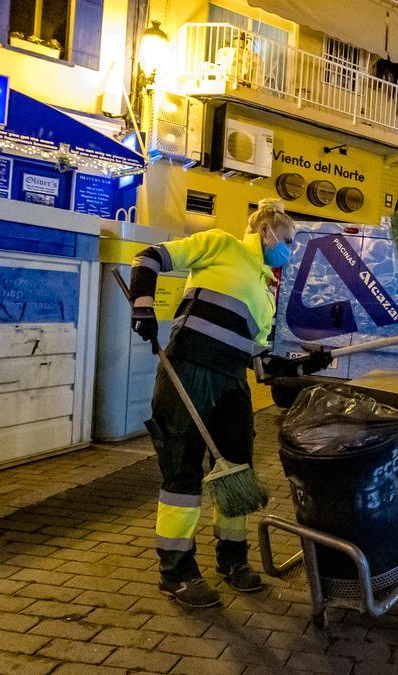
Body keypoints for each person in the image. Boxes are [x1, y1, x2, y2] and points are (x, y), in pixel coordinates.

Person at [129, 199, 332, 608]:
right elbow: (148, 258)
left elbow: (260, 361)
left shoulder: (265, 291)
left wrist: (304, 365)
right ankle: (177, 573)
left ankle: (233, 560)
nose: (288, 250)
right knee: (183, 473)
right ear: (266, 231)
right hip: (188, 369)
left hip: (232, 382)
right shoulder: (221, 245)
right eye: (287, 240)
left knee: (237, 470)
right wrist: (143, 306)